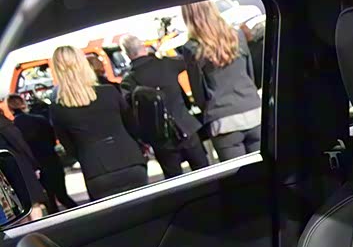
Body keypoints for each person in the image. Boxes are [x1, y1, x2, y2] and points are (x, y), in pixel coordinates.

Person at [49, 45, 147, 201]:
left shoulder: (58, 108)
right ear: (83, 64)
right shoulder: (109, 92)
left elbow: (69, 147)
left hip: (96, 171)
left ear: (57, 71)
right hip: (131, 161)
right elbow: (133, 126)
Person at [181, 0, 262, 161]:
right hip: (253, 110)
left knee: (238, 174)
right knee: (264, 169)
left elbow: (198, 92)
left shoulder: (192, 47)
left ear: (188, 16)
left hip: (223, 121)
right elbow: (250, 73)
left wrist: (208, 110)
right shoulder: (237, 35)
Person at [120, 34, 209, 179]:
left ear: (126, 54)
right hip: (186, 127)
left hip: (161, 138)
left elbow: (131, 112)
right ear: (143, 47)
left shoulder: (128, 81)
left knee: (175, 180)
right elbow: (188, 59)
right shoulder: (166, 64)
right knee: (205, 174)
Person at [5, 93, 77, 210]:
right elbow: (53, 139)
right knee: (63, 196)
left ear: (9, 108)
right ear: (23, 104)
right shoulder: (40, 119)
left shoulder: (14, 127)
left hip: (36, 166)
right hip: (52, 160)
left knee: (49, 202)